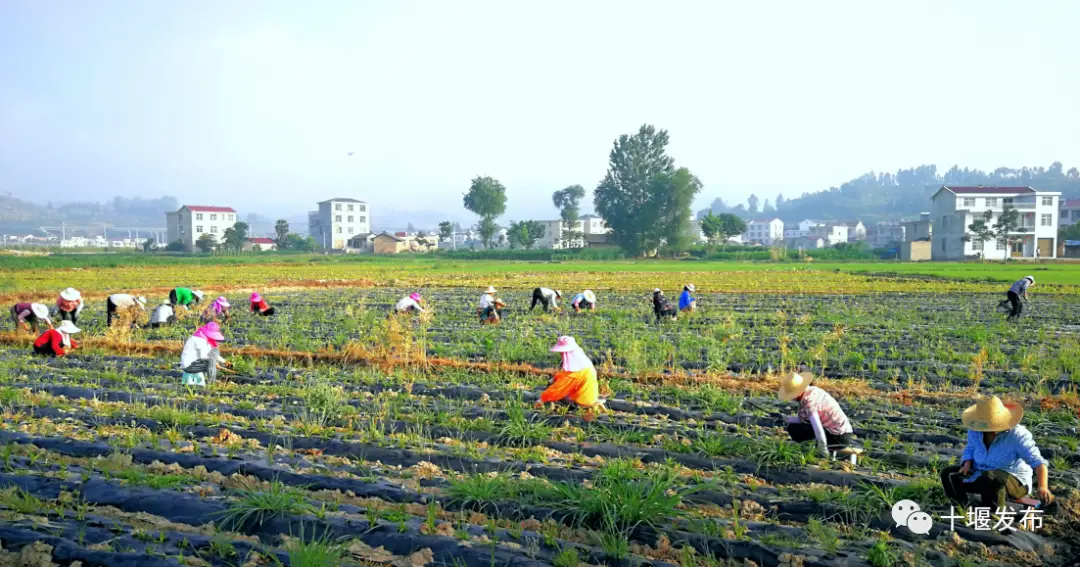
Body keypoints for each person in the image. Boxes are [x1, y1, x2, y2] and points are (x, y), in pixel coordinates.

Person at [940, 396, 1054, 512]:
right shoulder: (975, 429)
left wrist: (1042, 487)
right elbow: (970, 447)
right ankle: (961, 507)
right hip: (981, 473)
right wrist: (967, 463)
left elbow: (1039, 462)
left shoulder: (1017, 435)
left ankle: (995, 513)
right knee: (948, 473)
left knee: (990, 477)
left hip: (1014, 480)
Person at [779, 371, 854, 457]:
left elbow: (817, 427)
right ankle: (810, 447)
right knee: (794, 426)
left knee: (795, 429)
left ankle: (811, 450)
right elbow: (804, 419)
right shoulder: (812, 391)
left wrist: (823, 449)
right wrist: (784, 418)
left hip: (838, 438)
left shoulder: (809, 402)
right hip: (843, 434)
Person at [535, 336, 604, 410]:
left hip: (581, 402)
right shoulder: (583, 364)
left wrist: (542, 399)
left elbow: (559, 388)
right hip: (590, 396)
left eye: (562, 353)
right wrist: (556, 378)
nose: (561, 355)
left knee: (553, 399)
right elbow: (564, 375)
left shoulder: (575, 372)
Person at [180, 322, 228, 386]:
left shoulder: (203, 339)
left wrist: (224, 361)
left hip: (193, 363)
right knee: (210, 362)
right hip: (189, 366)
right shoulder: (199, 340)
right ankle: (211, 384)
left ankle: (208, 382)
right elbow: (204, 356)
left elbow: (210, 353)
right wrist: (215, 364)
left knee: (213, 355)